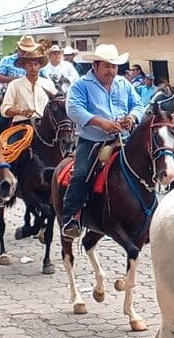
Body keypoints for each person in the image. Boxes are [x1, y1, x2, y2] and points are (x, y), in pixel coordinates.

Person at [61, 44, 144, 238]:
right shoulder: (80, 85)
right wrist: (100, 122)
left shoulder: (124, 84)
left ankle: (146, 212)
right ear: (95, 66)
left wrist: (131, 118)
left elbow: (138, 104)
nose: (112, 71)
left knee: (146, 167)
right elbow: (73, 109)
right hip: (93, 141)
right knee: (81, 174)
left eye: (114, 66)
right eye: (107, 66)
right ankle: (70, 218)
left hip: (124, 139)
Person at [0, 49, 57, 128]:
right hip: (22, 125)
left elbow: (56, 104)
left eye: (36, 64)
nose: (33, 68)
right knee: (13, 140)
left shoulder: (48, 83)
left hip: (46, 126)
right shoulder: (14, 85)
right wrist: (21, 112)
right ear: (24, 66)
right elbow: (5, 109)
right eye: (29, 65)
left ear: (39, 66)